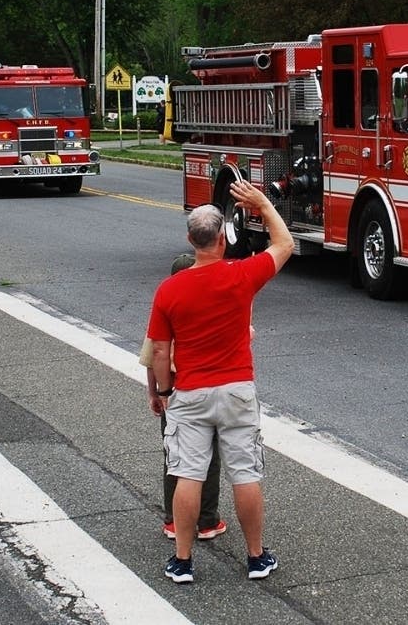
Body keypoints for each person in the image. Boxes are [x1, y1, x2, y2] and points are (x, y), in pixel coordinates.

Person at [148, 180, 294, 584]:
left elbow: (160, 351)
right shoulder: (242, 276)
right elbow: (284, 244)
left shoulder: (169, 289)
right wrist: (262, 203)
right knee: (244, 473)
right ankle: (256, 557)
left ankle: (182, 560)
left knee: (188, 473)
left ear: (191, 240)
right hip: (236, 390)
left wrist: (162, 392)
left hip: (190, 392)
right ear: (224, 241)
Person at [141, 253, 226, 543]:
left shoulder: (164, 308)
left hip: (173, 390)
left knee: (175, 455)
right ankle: (206, 520)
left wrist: (155, 392)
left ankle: (174, 520)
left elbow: (154, 357)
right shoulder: (210, 308)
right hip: (205, 387)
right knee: (209, 457)